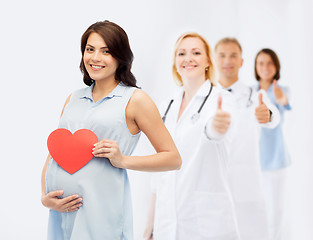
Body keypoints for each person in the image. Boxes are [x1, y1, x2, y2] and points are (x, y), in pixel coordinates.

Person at [41, 20, 181, 240]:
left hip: (101, 216)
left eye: (105, 51)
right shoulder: (74, 98)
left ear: (120, 57)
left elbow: (173, 158)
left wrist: (123, 160)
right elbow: (55, 151)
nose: (95, 58)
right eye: (90, 49)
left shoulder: (136, 100)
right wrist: (45, 196)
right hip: (62, 214)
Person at [144, 32, 240, 240]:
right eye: (181, 53)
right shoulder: (165, 106)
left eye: (196, 52)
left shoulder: (222, 99)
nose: (188, 58)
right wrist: (150, 226)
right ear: (175, 63)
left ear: (208, 61)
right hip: (166, 223)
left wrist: (216, 126)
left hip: (207, 223)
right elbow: (159, 174)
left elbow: (214, 132)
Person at [214, 38, 280, 240]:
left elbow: (273, 116)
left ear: (242, 61)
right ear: (214, 60)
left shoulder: (255, 95)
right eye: (222, 55)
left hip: (246, 183)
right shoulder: (204, 96)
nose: (228, 60)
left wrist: (267, 114)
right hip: (214, 184)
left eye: (233, 55)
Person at [254, 48, 291, 240]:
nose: (265, 67)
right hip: (256, 161)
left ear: (276, 66)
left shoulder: (281, 91)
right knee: (258, 210)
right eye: (261, 63)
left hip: (277, 160)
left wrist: (279, 98)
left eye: (269, 63)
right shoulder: (250, 92)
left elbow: (285, 102)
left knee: (276, 210)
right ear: (255, 67)